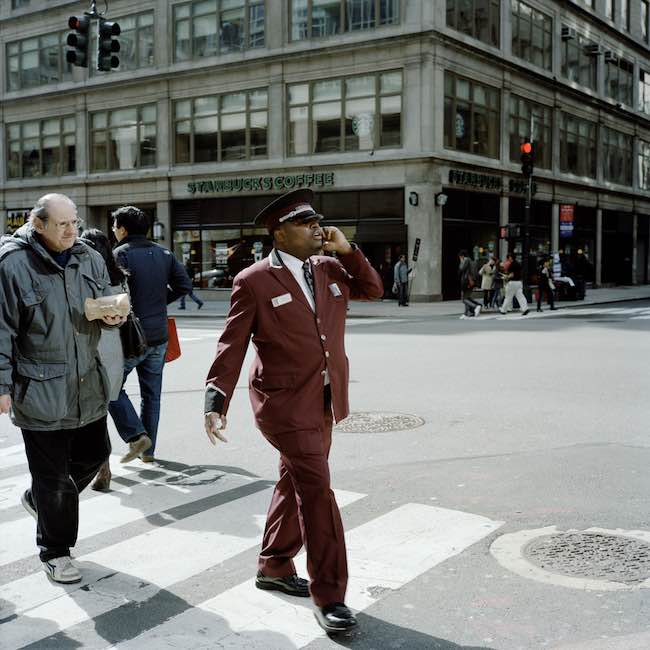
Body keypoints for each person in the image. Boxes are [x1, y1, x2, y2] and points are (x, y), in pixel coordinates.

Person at [203, 188, 383, 634]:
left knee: (295, 478)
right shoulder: (254, 280)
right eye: (306, 223)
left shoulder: (328, 267)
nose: (317, 228)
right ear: (279, 233)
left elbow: (374, 290)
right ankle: (331, 596)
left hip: (324, 399)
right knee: (317, 491)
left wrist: (349, 249)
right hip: (283, 404)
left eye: (318, 221)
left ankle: (274, 565)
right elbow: (233, 343)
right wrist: (215, 399)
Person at [0, 194, 125, 583]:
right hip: (39, 388)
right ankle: (56, 551)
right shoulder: (12, 264)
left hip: (87, 380)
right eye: (63, 224)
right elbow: (2, 329)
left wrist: (114, 316)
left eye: (75, 221)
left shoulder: (87, 255)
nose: (73, 230)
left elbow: (104, 301)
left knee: (95, 454)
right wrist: (1, 385)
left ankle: (40, 501)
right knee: (54, 477)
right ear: (38, 225)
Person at [109, 206, 191, 463]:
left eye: (114, 226)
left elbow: (113, 295)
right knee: (152, 396)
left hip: (131, 338)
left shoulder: (119, 255)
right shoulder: (164, 253)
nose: (113, 231)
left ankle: (136, 434)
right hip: (159, 336)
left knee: (109, 388)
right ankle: (148, 452)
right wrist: (159, 302)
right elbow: (184, 285)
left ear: (122, 229)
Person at [80, 228, 129, 492]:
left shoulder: (86, 277)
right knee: (100, 413)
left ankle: (101, 468)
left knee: (91, 415)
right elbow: (125, 310)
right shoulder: (119, 276)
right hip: (113, 349)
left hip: (92, 347)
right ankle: (102, 468)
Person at [458, 250, 481, 318]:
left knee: (464, 299)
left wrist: (461, 262)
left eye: (460, 257)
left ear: (462, 256)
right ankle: (466, 313)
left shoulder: (466, 260)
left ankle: (476, 306)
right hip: (471, 282)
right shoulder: (472, 261)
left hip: (467, 281)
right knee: (467, 297)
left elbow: (461, 269)